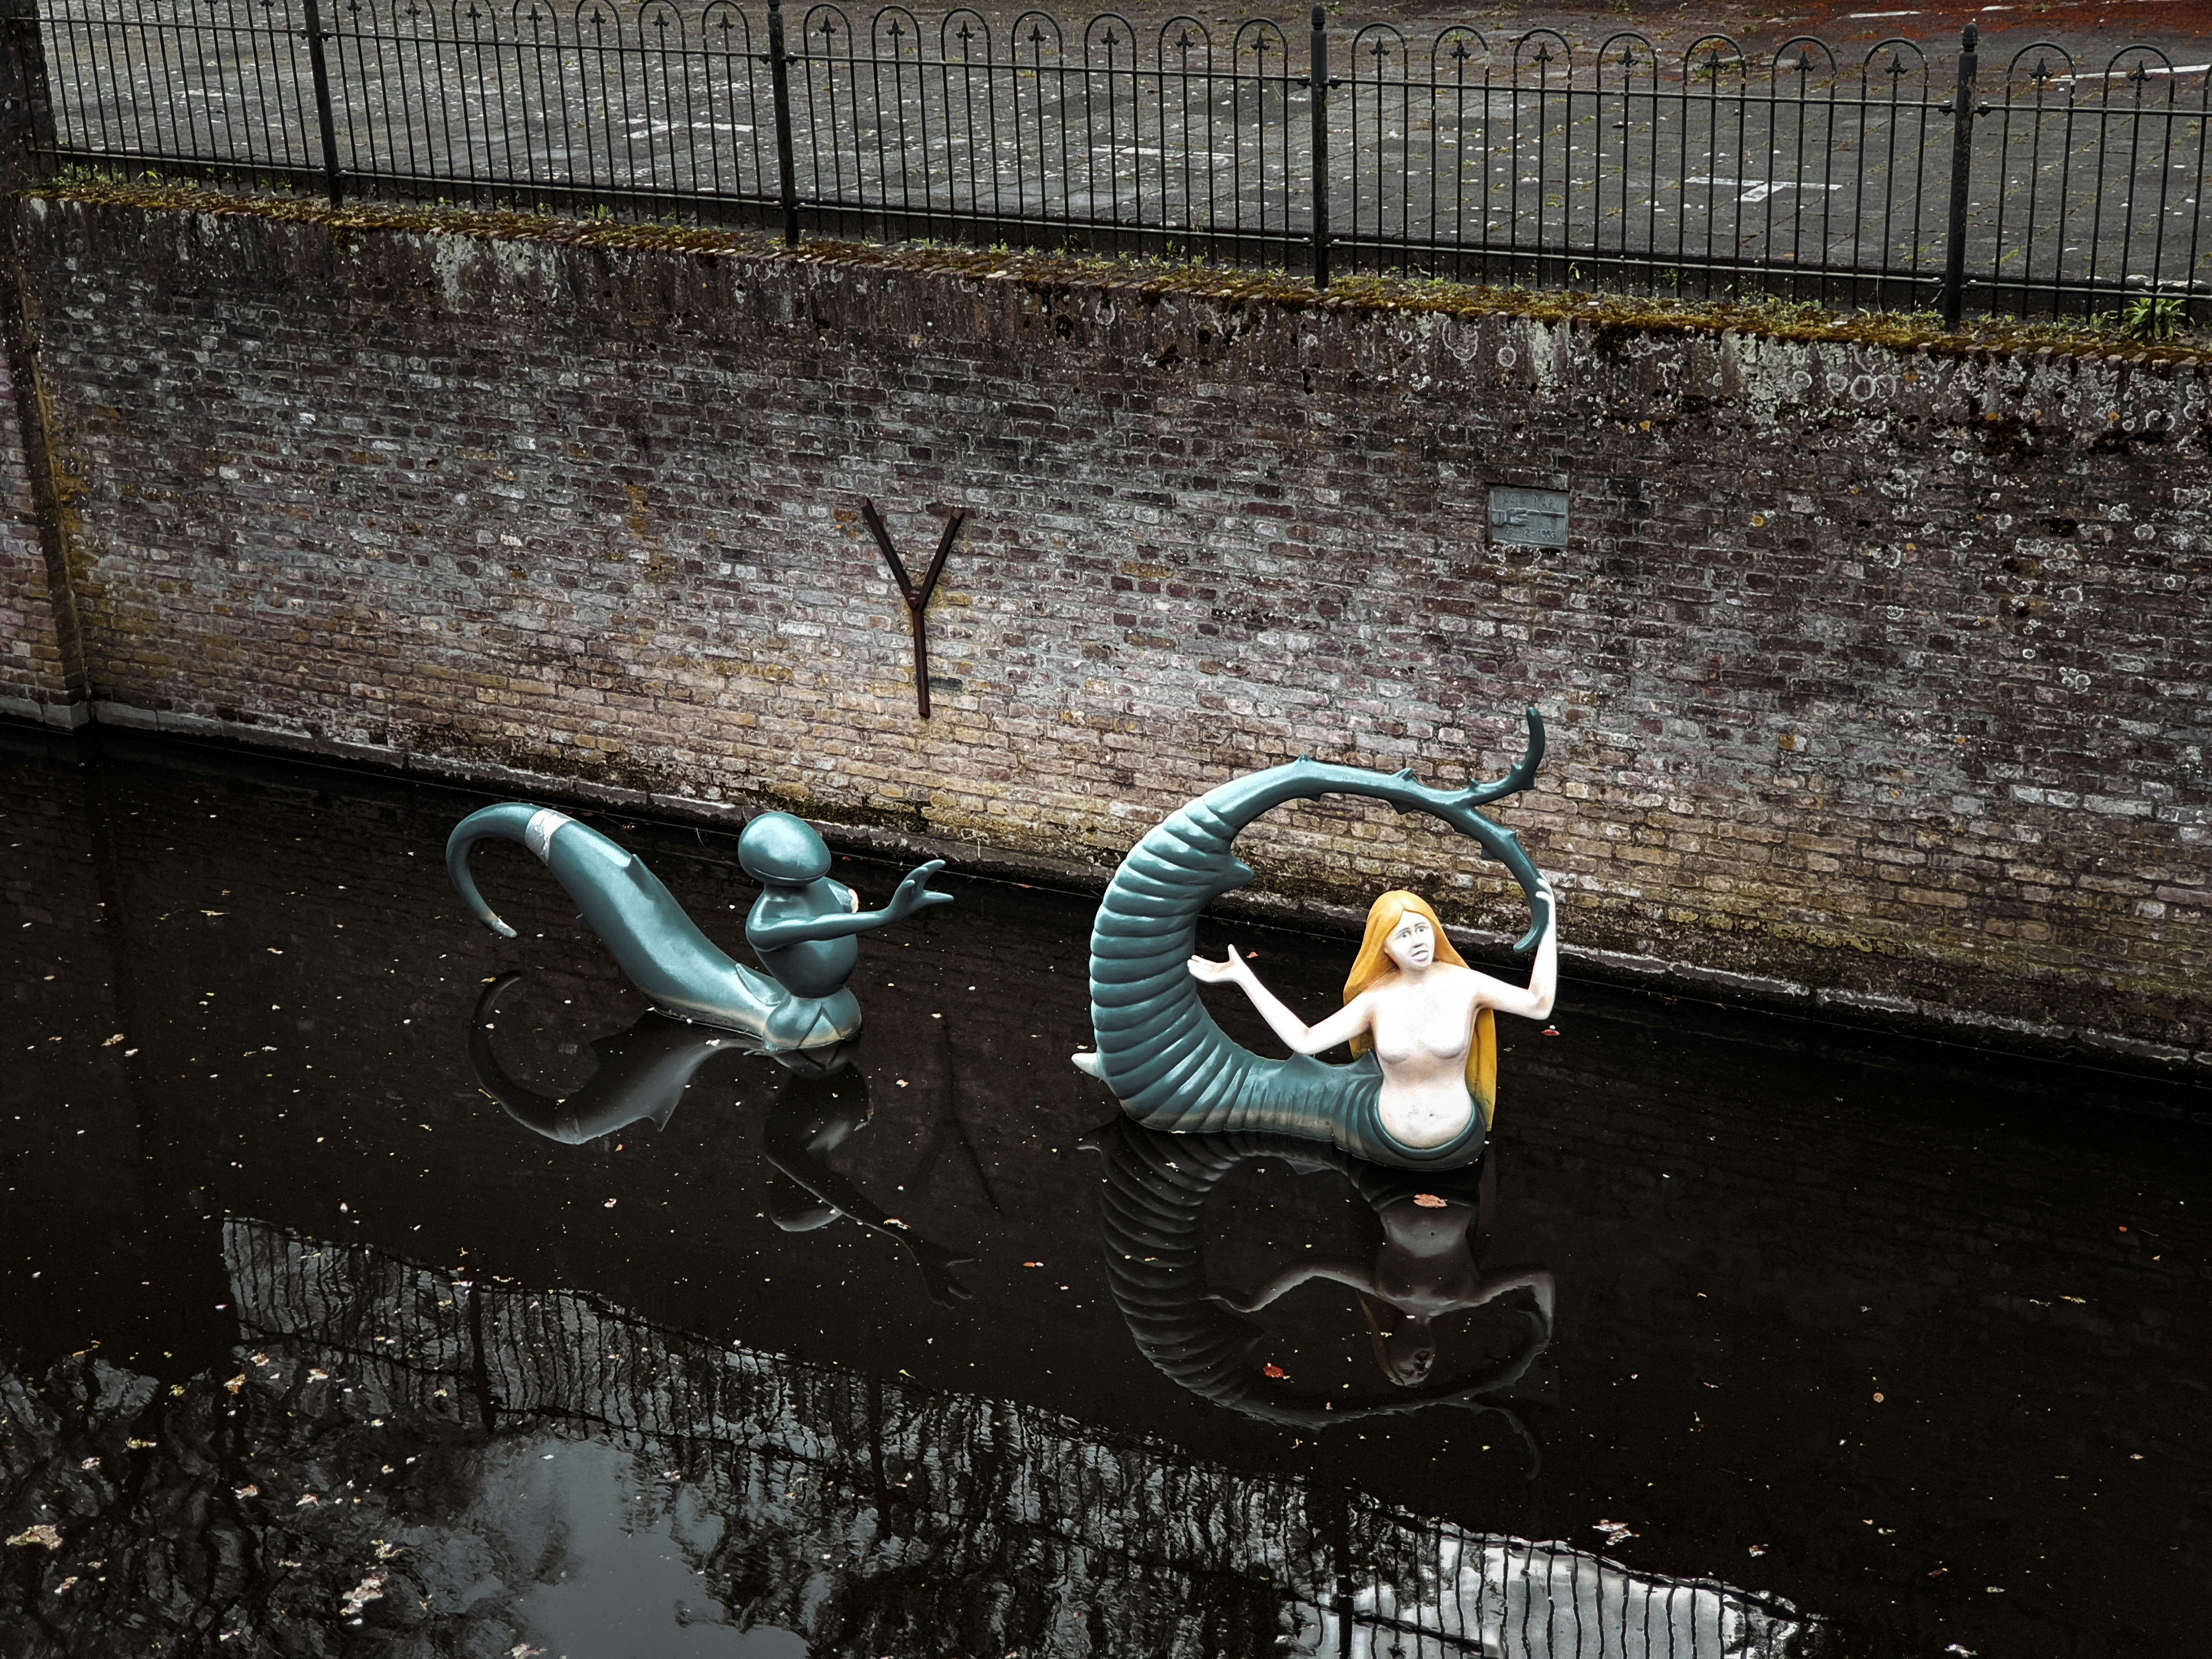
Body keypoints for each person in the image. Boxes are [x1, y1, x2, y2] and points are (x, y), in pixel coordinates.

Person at [1188, 885, 1556, 1149]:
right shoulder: (1376, 1000)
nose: (1417, 942)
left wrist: (1549, 922)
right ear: (1385, 948)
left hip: (1461, 1141)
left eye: (1421, 928)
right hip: (1380, 1138)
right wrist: (1243, 978)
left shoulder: (1466, 985)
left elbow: (1538, 1004)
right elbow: (1305, 1039)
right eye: (1403, 935)